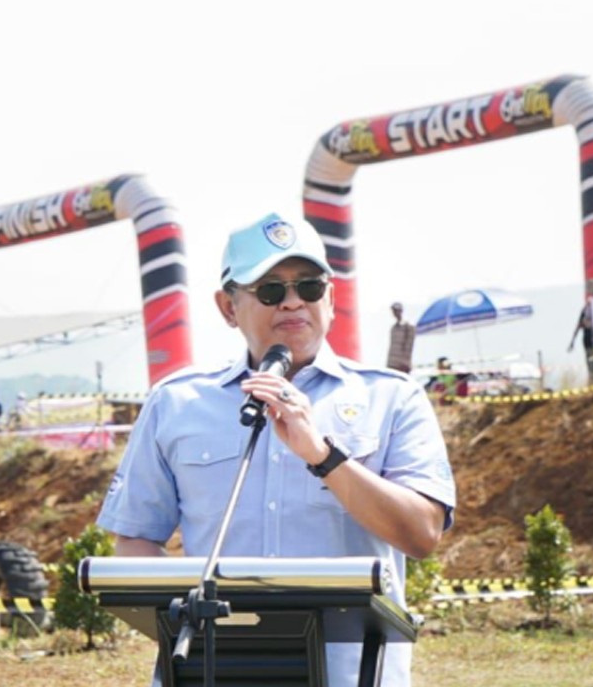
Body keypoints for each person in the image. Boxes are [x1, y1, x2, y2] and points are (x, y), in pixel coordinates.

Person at [96, 211, 456, 687]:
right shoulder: (176, 402)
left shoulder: (391, 397)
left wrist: (324, 455)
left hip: (351, 675)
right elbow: (135, 541)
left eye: (308, 287)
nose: (292, 303)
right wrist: (196, 614)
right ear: (228, 307)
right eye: (270, 290)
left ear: (329, 298)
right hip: (214, 671)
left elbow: (422, 534)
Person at [387, 302, 416, 374]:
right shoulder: (393, 328)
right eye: (394, 311)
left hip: (402, 364)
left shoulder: (408, 326)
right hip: (392, 363)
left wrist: (405, 363)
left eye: (397, 311)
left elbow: (409, 346)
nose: (395, 313)